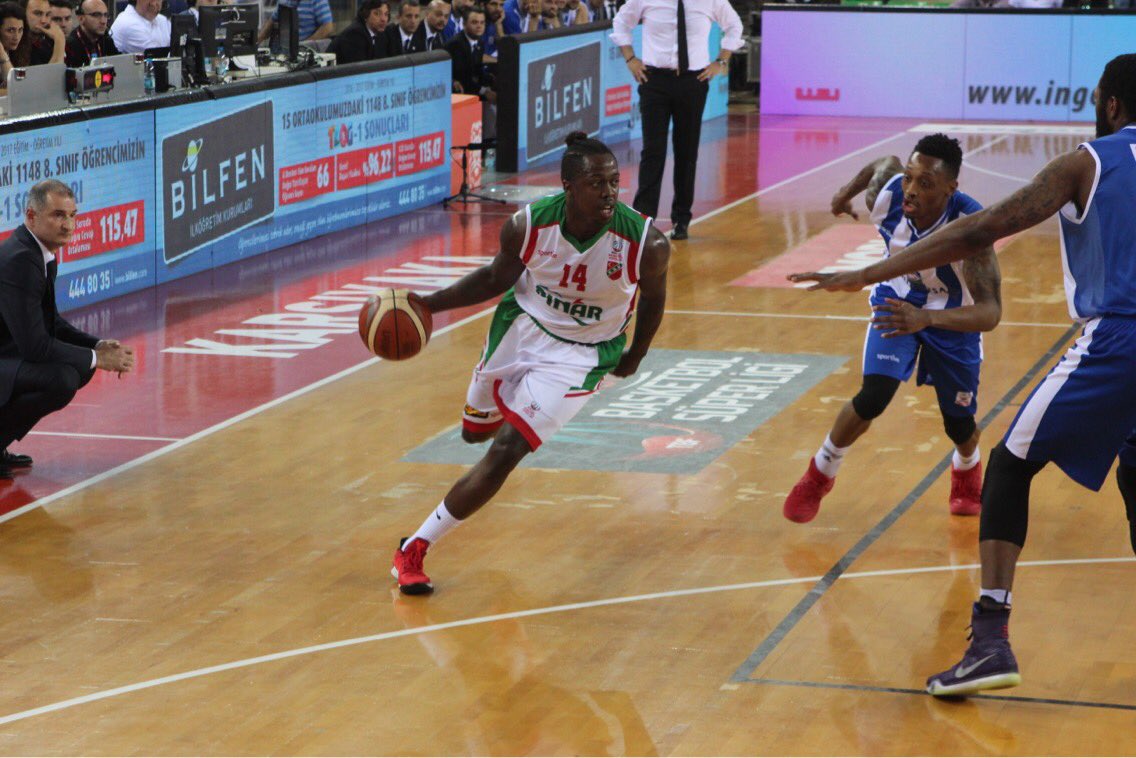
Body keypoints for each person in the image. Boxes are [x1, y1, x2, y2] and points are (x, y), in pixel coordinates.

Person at [789, 54, 1136, 698]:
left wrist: (863, 274)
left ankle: (990, 640)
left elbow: (983, 232)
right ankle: (826, 469)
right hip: (911, 314)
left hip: (1114, 337)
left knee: (1009, 466)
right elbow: (882, 168)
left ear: (1111, 104)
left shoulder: (1087, 162)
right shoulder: (894, 190)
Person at [390, 132, 671, 595]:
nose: (608, 193)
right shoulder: (528, 226)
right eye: (596, 184)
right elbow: (494, 278)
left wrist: (635, 354)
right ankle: (509, 406)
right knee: (473, 434)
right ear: (568, 186)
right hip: (521, 328)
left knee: (505, 451)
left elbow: (655, 301)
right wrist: (428, 305)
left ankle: (414, 548)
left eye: (613, 182)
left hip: (581, 356)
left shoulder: (646, 243)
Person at [782, 134, 1003, 525]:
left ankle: (967, 465)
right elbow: (882, 163)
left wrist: (928, 319)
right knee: (874, 395)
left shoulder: (972, 230)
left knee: (959, 424)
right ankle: (820, 473)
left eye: (925, 183)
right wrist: (843, 193)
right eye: (909, 178)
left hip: (952, 317)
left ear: (951, 189)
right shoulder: (890, 198)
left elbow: (990, 313)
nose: (911, 190)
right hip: (897, 301)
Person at [0, 180, 135, 480]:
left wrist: (97, 346)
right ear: (31, 216)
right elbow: (36, 347)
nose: (68, 225)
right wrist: (97, 359)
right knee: (63, 378)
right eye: (58, 215)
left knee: (77, 369)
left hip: (8, 355)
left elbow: (53, 323)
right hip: (6, 357)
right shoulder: (21, 260)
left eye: (73, 215)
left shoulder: (39, 252)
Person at [611, 0, 742, 241]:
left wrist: (721, 61)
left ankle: (681, 219)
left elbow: (734, 26)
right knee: (653, 152)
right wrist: (630, 59)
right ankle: (643, 219)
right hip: (654, 80)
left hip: (693, 82)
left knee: (686, 151)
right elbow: (620, 23)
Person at [445, 5, 485, 96]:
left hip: (472, 90)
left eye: (482, 22)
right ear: (464, 24)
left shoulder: (480, 43)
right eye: (474, 22)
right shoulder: (456, 44)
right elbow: (463, 77)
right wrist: (484, 91)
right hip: (456, 93)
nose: (479, 26)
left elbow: (478, 71)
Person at [64, 0, 118, 67]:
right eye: (96, 15)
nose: (103, 21)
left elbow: (119, 65)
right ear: (81, 19)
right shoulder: (70, 45)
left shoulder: (106, 40)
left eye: (105, 15)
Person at [257, 0, 333, 46]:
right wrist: (257, 41)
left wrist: (305, 45)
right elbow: (272, 20)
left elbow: (327, 28)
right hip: (283, 49)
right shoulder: (284, 1)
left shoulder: (318, 1)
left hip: (305, 51)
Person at [23, 0, 64, 64]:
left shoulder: (49, 40)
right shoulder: (15, 44)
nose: (44, 21)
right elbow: (53, 70)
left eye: (47, 14)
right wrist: (60, 41)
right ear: (23, 13)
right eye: (37, 14)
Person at [0, 2, 30, 84]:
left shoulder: (21, 50)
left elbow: (20, 83)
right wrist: (3, 58)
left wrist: (3, 56)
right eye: (10, 30)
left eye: (20, 30)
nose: (16, 37)